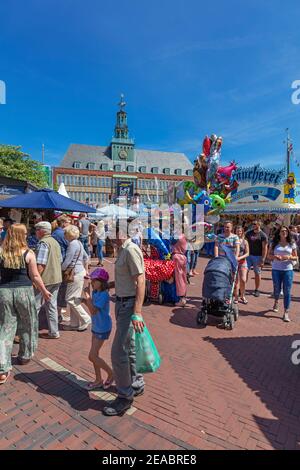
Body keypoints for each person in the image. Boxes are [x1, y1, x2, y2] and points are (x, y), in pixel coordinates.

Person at [102, 219, 145, 417]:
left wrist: (137, 312)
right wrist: (107, 285)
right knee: (128, 348)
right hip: (121, 302)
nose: (110, 235)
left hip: (128, 305)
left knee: (118, 351)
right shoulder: (122, 250)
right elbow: (125, 278)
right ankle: (135, 382)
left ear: (122, 233)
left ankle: (124, 396)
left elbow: (141, 280)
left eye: (113, 232)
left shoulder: (130, 250)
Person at [0, 224, 51, 385]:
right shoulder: (28, 253)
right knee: (28, 323)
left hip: (5, 292)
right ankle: (25, 355)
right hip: (24, 291)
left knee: (6, 327)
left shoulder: (1, 252)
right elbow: (35, 276)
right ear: (23, 235)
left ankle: (2, 367)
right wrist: (44, 291)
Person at [81, 268, 113, 390]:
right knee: (95, 354)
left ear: (101, 282)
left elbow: (94, 310)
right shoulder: (95, 293)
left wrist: (87, 296)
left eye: (94, 280)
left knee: (92, 356)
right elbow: (92, 307)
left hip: (103, 328)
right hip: (96, 326)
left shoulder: (104, 294)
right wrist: (85, 301)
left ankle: (111, 373)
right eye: (92, 280)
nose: (92, 282)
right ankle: (98, 379)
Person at [35, 221, 62, 339]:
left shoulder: (43, 243)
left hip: (45, 279)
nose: (35, 232)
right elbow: (59, 260)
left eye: (36, 230)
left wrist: (35, 279)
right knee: (51, 305)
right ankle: (54, 331)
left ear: (41, 231)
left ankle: (30, 332)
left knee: (35, 306)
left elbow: (40, 264)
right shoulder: (55, 242)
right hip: (56, 278)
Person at [61, 225, 91, 331]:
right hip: (80, 272)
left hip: (74, 273)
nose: (64, 235)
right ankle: (74, 324)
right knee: (75, 298)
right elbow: (86, 257)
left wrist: (61, 268)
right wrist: (86, 269)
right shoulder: (78, 243)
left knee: (70, 299)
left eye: (65, 233)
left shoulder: (72, 244)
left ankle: (85, 318)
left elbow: (68, 261)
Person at [268, 226, 298, 322]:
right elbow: (269, 256)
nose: (284, 232)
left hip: (288, 270)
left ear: (288, 232)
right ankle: (276, 301)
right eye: (282, 231)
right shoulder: (274, 243)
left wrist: (288, 257)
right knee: (277, 289)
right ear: (279, 233)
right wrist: (275, 256)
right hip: (276, 269)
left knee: (287, 291)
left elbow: (296, 257)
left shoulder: (291, 243)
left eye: (285, 231)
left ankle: (286, 312)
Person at [52, 215, 72, 322]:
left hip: (57, 263)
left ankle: (57, 313)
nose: (69, 224)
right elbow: (69, 245)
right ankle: (58, 314)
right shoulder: (61, 234)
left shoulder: (55, 232)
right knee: (61, 290)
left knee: (57, 289)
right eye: (68, 222)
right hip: (62, 264)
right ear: (63, 223)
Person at [245, 220, 268, 297]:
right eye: (252, 224)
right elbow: (244, 243)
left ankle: (257, 289)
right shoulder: (248, 233)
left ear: (259, 225)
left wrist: (263, 259)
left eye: (255, 224)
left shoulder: (263, 235)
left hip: (258, 256)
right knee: (245, 272)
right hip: (248, 255)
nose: (253, 225)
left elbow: (265, 248)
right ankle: (242, 288)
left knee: (257, 273)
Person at [234, 226, 250, 304]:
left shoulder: (245, 241)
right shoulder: (232, 240)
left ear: (242, 232)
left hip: (243, 262)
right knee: (236, 281)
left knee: (243, 280)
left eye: (240, 231)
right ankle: (236, 297)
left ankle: (242, 295)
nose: (238, 232)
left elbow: (247, 253)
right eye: (237, 231)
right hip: (234, 263)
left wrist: (240, 258)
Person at [172, 234, 188, 307]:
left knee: (179, 279)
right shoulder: (185, 236)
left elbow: (171, 241)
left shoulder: (178, 236)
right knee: (183, 278)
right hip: (183, 257)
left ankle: (181, 299)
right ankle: (183, 297)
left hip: (177, 257)